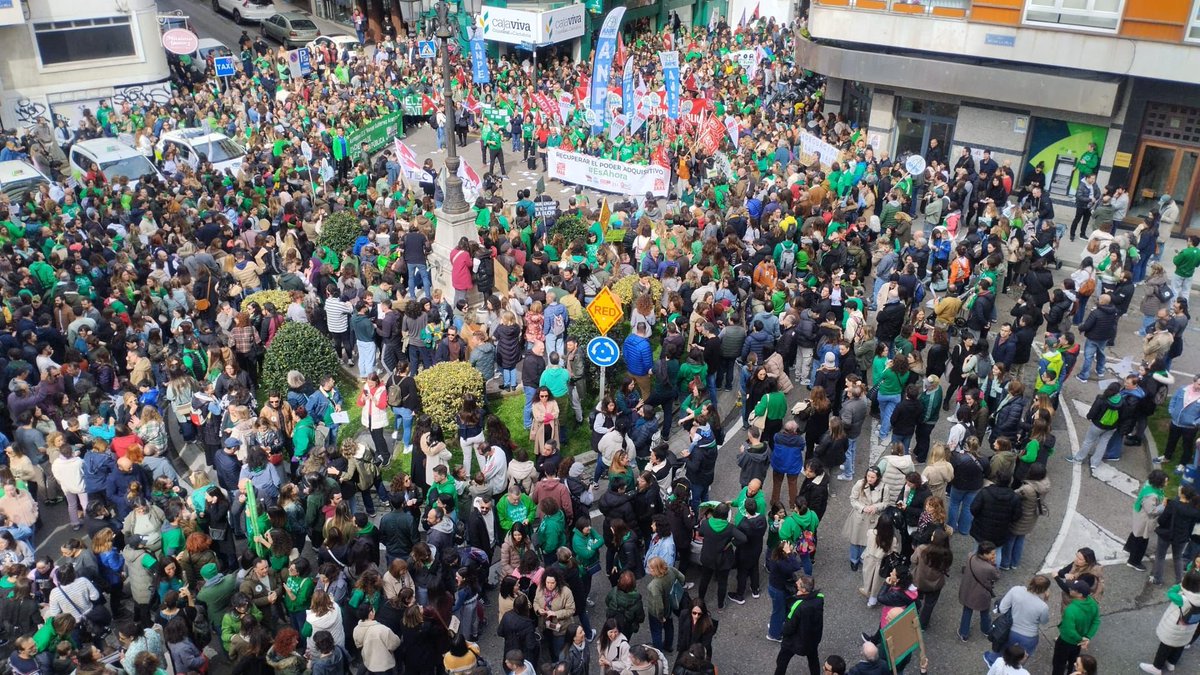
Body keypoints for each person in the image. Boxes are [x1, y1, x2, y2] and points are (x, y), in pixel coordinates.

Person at [1138, 569, 1200, 674]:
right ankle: (1171, 663)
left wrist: (1180, 586)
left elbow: (1170, 593)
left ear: (1186, 583)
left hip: (1175, 628)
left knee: (1165, 646)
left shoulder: (1182, 598)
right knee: (1180, 645)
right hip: (1189, 629)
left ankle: (1156, 668)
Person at [985, 575, 1051, 666]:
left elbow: (1003, 608)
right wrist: (1044, 600)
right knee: (1019, 659)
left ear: (1031, 581)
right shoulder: (1043, 606)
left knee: (1003, 649)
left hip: (1010, 630)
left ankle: (993, 661)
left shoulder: (1016, 590)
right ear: (1045, 590)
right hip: (1029, 637)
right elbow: (1044, 622)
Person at [773, 574, 824, 675]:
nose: (796, 583)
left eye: (799, 584)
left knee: (782, 660)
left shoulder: (798, 605)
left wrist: (783, 632)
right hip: (812, 638)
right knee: (813, 660)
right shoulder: (819, 598)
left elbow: (789, 626)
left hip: (795, 641)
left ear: (804, 590)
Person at [1050, 581, 1100, 675]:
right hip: (1078, 643)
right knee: (1074, 661)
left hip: (1066, 641)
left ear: (1080, 594)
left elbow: (1069, 631)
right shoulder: (1093, 603)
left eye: (1073, 589)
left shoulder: (1070, 610)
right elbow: (1096, 621)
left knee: (1059, 663)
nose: (1070, 589)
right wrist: (1087, 637)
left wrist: (1081, 639)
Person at [958, 541, 1000, 642]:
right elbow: (997, 577)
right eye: (992, 554)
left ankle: (964, 633)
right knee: (984, 612)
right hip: (981, 594)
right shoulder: (989, 568)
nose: (994, 555)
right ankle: (986, 629)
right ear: (985, 554)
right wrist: (993, 564)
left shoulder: (970, 556)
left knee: (967, 611)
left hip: (968, 589)